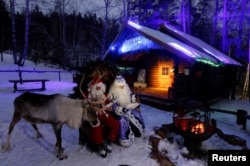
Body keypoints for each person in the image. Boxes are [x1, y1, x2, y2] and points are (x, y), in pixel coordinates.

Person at [79, 78, 119, 158]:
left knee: (115, 124)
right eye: (96, 87)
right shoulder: (88, 96)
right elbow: (83, 105)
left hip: (103, 113)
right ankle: (100, 145)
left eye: (99, 87)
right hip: (93, 114)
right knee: (96, 127)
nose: (98, 89)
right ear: (92, 87)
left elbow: (108, 103)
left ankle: (109, 140)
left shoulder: (103, 95)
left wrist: (109, 106)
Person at [108, 75, 146, 147]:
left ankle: (138, 131)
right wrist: (121, 109)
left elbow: (130, 95)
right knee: (122, 119)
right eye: (120, 86)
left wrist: (134, 97)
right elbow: (112, 105)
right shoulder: (112, 92)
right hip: (118, 111)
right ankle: (124, 138)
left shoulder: (126, 88)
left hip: (128, 107)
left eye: (123, 85)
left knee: (136, 113)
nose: (122, 87)